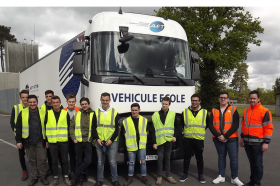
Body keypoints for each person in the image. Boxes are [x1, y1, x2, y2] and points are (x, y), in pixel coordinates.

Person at [208, 91, 243, 186]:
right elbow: (210, 124)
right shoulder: (214, 110)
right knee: (221, 157)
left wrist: (225, 136)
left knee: (234, 159)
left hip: (231, 139)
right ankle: (221, 176)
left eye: (225, 97)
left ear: (228, 99)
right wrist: (219, 136)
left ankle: (234, 178)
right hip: (218, 139)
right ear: (219, 99)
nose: (223, 99)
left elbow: (236, 124)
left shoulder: (233, 109)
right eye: (221, 97)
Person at [240, 90, 274, 186]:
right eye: (250, 98)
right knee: (252, 163)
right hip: (247, 142)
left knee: (258, 164)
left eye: (254, 98)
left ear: (258, 99)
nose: (252, 100)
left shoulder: (265, 111)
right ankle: (252, 181)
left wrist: (266, 142)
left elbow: (268, 127)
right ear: (248, 99)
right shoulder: (246, 111)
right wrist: (242, 138)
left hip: (258, 143)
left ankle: (257, 183)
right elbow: (243, 125)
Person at [15, 95, 49, 186]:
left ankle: (43, 176)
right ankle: (34, 177)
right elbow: (18, 128)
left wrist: (47, 140)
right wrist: (18, 141)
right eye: (30, 102)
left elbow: (47, 127)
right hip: (28, 142)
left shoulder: (43, 112)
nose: (32, 104)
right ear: (27, 102)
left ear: (37, 102)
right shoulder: (23, 113)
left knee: (42, 160)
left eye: (34, 102)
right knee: (32, 160)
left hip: (40, 141)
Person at [92, 92, 121, 186]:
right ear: (100, 100)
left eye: (106, 100)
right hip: (99, 141)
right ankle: (99, 180)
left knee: (112, 161)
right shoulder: (96, 112)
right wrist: (97, 139)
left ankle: (115, 180)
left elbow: (118, 129)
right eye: (103, 100)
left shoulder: (115, 112)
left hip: (111, 142)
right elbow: (93, 128)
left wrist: (111, 140)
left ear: (109, 100)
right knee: (100, 161)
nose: (105, 102)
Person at [179, 93, 209, 184]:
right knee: (186, 157)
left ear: (200, 101)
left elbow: (207, 124)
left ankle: (201, 175)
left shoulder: (205, 112)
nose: (194, 102)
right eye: (193, 100)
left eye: (196, 100)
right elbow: (181, 124)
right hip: (188, 138)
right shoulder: (185, 111)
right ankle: (185, 174)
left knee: (199, 158)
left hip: (199, 139)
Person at [151, 96, 179, 185]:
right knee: (160, 158)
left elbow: (177, 126)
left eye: (166, 104)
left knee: (167, 158)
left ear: (169, 105)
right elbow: (153, 129)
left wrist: (175, 136)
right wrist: (154, 142)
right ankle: (159, 177)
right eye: (163, 104)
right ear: (161, 103)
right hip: (160, 140)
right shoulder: (155, 115)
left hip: (169, 140)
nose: (164, 105)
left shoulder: (173, 114)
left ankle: (168, 176)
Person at [122, 103, 151, 186]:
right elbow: (124, 133)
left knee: (143, 162)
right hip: (131, 145)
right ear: (131, 110)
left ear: (139, 110)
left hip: (141, 145)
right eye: (133, 110)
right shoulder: (126, 121)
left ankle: (144, 179)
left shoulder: (144, 120)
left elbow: (147, 131)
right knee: (131, 163)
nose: (134, 112)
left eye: (136, 110)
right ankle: (130, 179)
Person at [45, 96, 71, 186]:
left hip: (63, 141)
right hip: (52, 141)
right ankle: (55, 178)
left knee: (64, 160)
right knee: (54, 161)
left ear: (60, 103)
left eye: (57, 102)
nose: (55, 104)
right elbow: (45, 127)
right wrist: (46, 140)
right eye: (54, 102)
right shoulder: (48, 113)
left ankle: (66, 177)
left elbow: (68, 127)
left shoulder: (65, 113)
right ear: (51, 104)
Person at [70, 97, 94, 186]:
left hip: (88, 141)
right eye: (82, 104)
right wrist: (74, 138)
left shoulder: (93, 114)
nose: (84, 106)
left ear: (88, 104)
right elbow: (71, 127)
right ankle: (79, 179)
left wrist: (92, 138)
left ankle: (75, 175)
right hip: (78, 141)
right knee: (79, 161)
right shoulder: (77, 114)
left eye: (85, 104)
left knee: (88, 160)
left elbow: (95, 128)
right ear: (80, 105)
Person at [40, 90, 63, 175]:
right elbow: (43, 122)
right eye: (47, 96)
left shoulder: (60, 106)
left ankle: (62, 170)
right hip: (49, 135)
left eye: (50, 96)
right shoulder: (42, 107)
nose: (49, 98)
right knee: (50, 155)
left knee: (60, 155)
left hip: (59, 135)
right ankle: (52, 170)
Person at [10, 89, 29, 181]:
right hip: (20, 137)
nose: (25, 99)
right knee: (21, 154)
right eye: (23, 97)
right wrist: (17, 136)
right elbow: (12, 123)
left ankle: (35, 170)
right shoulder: (16, 107)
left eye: (26, 97)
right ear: (20, 98)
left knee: (32, 155)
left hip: (30, 136)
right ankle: (24, 171)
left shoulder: (32, 106)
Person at [63, 93, 79, 179]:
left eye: (73, 102)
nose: (71, 103)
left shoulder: (78, 110)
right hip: (67, 137)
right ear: (67, 101)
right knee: (71, 155)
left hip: (77, 137)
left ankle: (78, 172)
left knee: (78, 156)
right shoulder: (63, 111)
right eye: (70, 102)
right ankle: (72, 172)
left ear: (75, 101)